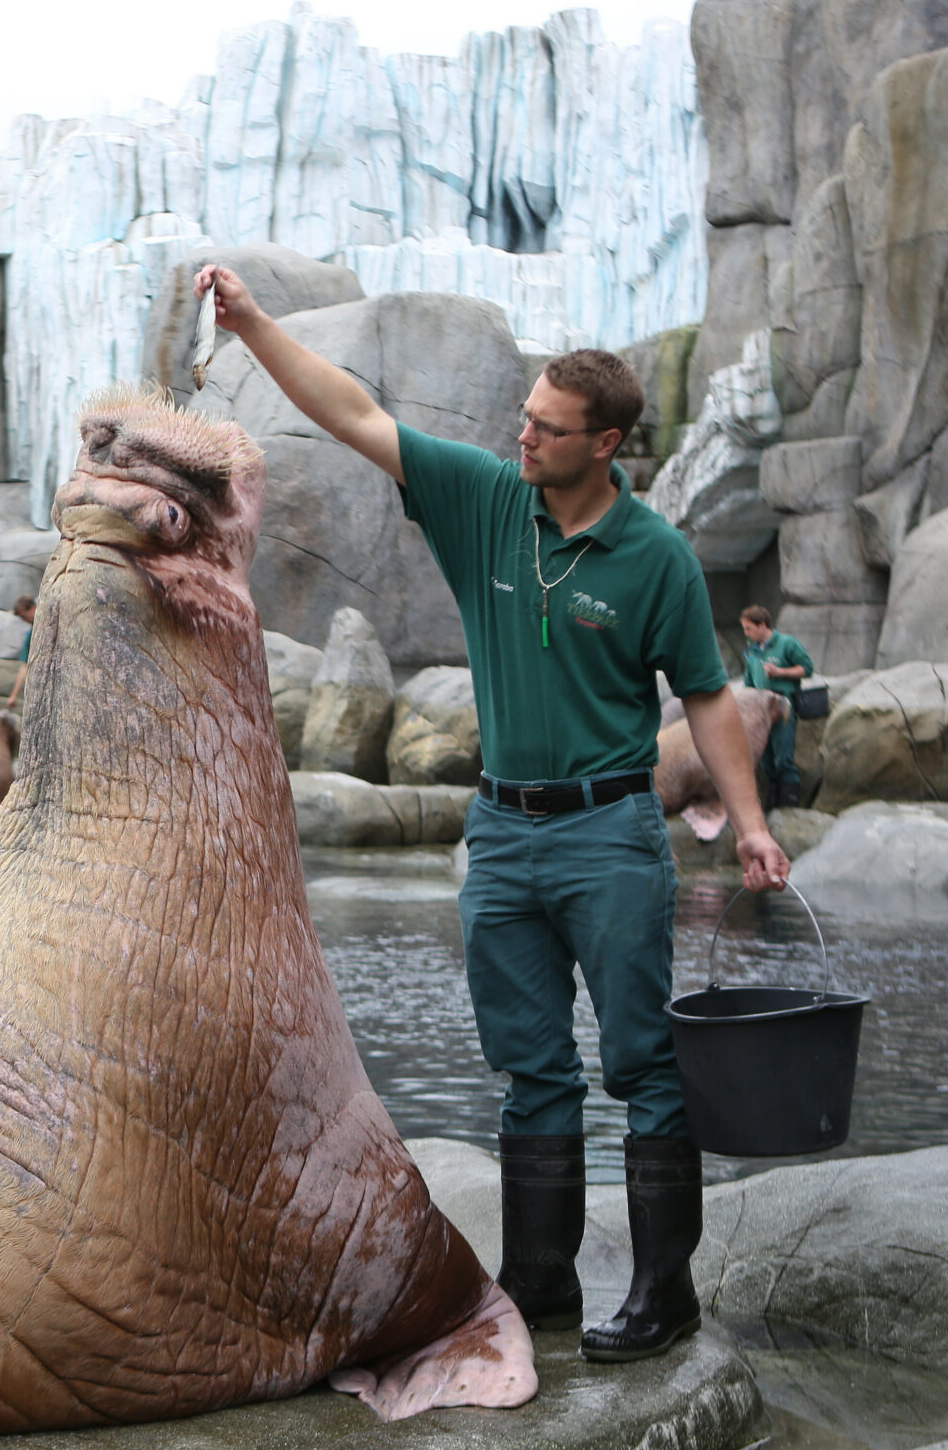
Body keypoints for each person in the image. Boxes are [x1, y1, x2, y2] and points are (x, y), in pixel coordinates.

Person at [198, 263, 790, 1364]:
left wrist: (750, 823)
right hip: (504, 833)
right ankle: (540, 1281)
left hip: (610, 831)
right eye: (524, 419)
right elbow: (353, 410)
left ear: (604, 444)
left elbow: (706, 700)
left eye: (551, 430)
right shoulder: (484, 501)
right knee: (529, 1069)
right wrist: (251, 325)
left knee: (643, 1063)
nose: (526, 440)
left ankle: (665, 1292)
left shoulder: (651, 554)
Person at [739, 605, 813, 809]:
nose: (746, 633)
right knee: (766, 759)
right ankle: (771, 804)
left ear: (762, 625)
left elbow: (807, 668)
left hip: (783, 708)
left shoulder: (786, 643)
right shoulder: (752, 651)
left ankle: (789, 805)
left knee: (783, 758)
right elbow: (748, 680)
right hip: (761, 711)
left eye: (749, 628)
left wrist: (780, 672)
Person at [4, 595, 38, 709]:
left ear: (33, 608)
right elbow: (25, 665)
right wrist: (14, 696)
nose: (24, 620)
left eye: (24, 616)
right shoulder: (32, 634)